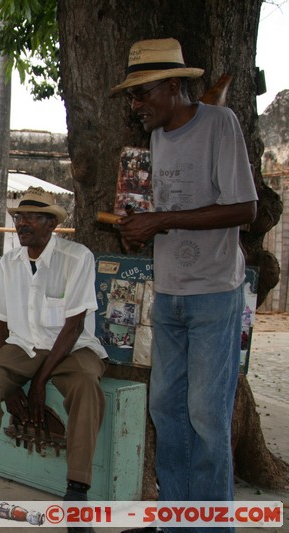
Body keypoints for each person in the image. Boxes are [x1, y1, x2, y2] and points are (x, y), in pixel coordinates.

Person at [112, 38, 258, 510]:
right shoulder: (157, 138)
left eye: (142, 94)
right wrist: (143, 227)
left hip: (215, 293)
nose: (135, 106)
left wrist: (161, 221)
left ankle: (212, 522)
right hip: (169, 289)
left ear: (174, 85)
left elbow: (245, 207)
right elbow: (170, 209)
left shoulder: (220, 124)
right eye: (132, 96)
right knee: (164, 409)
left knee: (207, 416)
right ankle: (178, 513)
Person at [0, 188, 108, 519]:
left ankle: (76, 491)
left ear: (51, 223)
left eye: (31, 217)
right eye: (19, 217)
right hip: (24, 345)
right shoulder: (12, 261)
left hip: (71, 348)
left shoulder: (76, 257)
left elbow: (73, 327)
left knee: (87, 387)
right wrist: (9, 378)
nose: (22, 223)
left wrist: (39, 382)